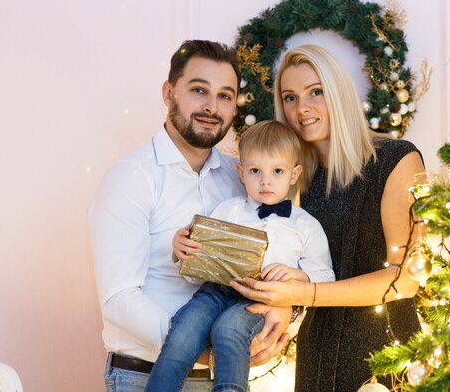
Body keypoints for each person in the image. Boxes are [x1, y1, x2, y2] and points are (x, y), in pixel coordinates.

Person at [89, 40, 292, 392]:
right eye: (199, 90)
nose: (211, 107)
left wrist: (282, 308)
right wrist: (203, 348)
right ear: (169, 93)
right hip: (144, 375)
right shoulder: (130, 177)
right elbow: (118, 300)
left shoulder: (243, 177)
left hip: (222, 379)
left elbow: (278, 251)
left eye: (225, 96)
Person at [230, 44, 425, 392]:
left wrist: (308, 293)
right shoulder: (298, 181)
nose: (302, 108)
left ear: (337, 92)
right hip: (318, 354)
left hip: (386, 354)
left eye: (315, 92)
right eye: (290, 97)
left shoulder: (397, 160)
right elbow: (299, 269)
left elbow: (405, 280)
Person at [145, 119, 335, 392]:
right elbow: (200, 261)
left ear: (294, 175)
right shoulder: (228, 210)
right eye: (255, 170)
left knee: (228, 329)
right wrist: (182, 250)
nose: (265, 180)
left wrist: (298, 275)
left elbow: (325, 277)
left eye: (277, 171)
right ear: (241, 172)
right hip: (215, 291)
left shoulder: (305, 224)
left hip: (260, 298)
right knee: (182, 331)